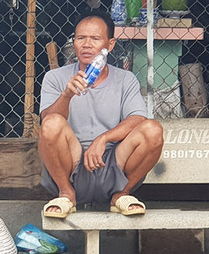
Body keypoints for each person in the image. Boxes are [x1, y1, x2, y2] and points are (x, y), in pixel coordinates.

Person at [38, 15, 164, 218]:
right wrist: (66, 95)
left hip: (114, 163)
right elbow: (48, 122)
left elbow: (137, 120)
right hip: (72, 161)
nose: (86, 45)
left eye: (95, 39)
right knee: (52, 123)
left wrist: (103, 139)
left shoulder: (125, 79)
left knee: (153, 129)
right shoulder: (56, 78)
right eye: (80, 38)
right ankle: (66, 193)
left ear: (110, 44)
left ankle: (121, 194)